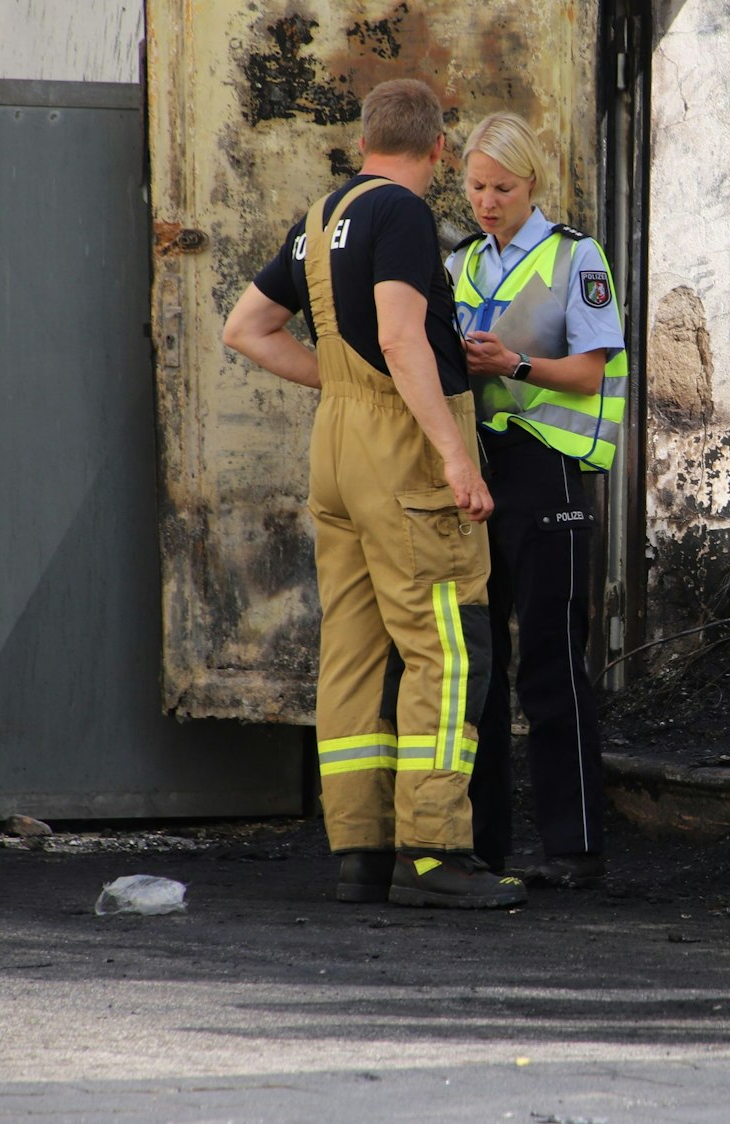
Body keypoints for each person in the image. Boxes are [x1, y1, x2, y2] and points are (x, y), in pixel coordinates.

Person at [221, 80, 525, 910]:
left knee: (354, 650)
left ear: (363, 143)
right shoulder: (402, 213)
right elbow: (397, 331)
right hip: (400, 453)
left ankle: (362, 853)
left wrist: (344, 384)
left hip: (337, 447)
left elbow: (244, 329)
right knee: (448, 647)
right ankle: (437, 853)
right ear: (438, 150)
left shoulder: (321, 218)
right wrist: (454, 456)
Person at [444, 112, 627, 888]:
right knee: (481, 661)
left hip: (550, 470)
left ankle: (574, 849)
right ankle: (482, 846)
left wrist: (514, 363)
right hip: (480, 472)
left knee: (551, 660)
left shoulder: (576, 258)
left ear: (531, 185)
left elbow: (590, 372)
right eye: (477, 187)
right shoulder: (459, 265)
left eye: (503, 189)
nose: (487, 202)